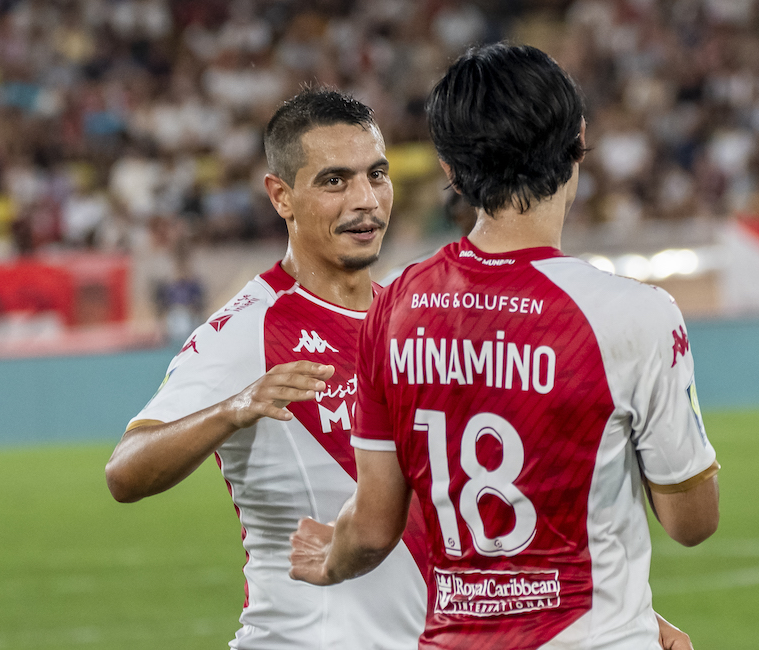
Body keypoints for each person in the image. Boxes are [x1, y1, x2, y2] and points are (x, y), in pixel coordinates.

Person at [106, 88, 695, 649]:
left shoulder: (414, 320)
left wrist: (626, 614)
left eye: (377, 174)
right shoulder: (250, 330)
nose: (365, 199)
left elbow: (465, 508)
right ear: (281, 196)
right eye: (334, 181)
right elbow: (125, 472)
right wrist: (234, 408)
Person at [288, 45, 719, 650]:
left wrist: (331, 560)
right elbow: (692, 523)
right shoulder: (635, 315)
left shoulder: (396, 305)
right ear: (579, 140)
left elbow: (373, 525)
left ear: (449, 167)